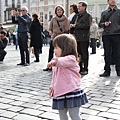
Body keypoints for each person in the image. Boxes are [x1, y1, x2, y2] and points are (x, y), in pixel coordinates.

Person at [48, 34, 88, 120]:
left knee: (74, 114)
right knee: (62, 115)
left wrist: (54, 62)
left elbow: (63, 61)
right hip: (60, 92)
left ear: (65, 48)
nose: (54, 50)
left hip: (71, 91)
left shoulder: (71, 59)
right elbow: (54, 77)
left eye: (56, 48)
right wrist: (52, 86)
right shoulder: (57, 61)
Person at [43, 5, 70, 71]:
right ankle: (49, 65)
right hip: (54, 37)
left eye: (60, 10)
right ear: (56, 11)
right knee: (51, 51)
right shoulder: (54, 19)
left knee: (62, 52)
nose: (59, 11)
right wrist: (50, 31)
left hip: (62, 37)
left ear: (62, 11)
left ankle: (62, 65)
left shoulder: (66, 19)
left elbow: (67, 29)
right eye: (58, 10)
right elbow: (50, 28)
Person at [99, 0, 120, 77]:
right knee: (107, 54)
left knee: (118, 53)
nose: (113, 1)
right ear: (108, 1)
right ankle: (107, 71)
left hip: (117, 34)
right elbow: (100, 24)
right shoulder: (104, 12)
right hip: (107, 35)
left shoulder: (119, 11)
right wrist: (104, 24)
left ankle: (119, 70)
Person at [74, 1, 92, 75]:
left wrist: (76, 25)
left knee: (84, 53)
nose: (78, 8)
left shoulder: (88, 16)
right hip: (77, 37)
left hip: (84, 37)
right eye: (78, 6)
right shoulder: (78, 15)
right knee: (78, 53)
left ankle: (85, 68)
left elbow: (87, 25)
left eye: (80, 6)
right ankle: (80, 67)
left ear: (84, 7)